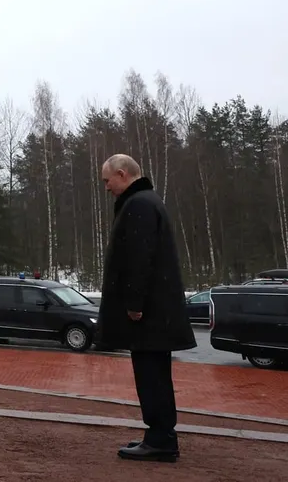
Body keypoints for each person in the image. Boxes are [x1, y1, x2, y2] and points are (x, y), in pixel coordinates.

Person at [97, 154, 195, 463]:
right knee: (156, 376)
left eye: (107, 180)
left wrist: (134, 304)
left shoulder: (138, 205)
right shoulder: (149, 201)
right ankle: (160, 436)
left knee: (151, 377)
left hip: (148, 314)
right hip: (158, 312)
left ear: (122, 175)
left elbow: (139, 258)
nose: (106, 187)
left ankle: (160, 441)